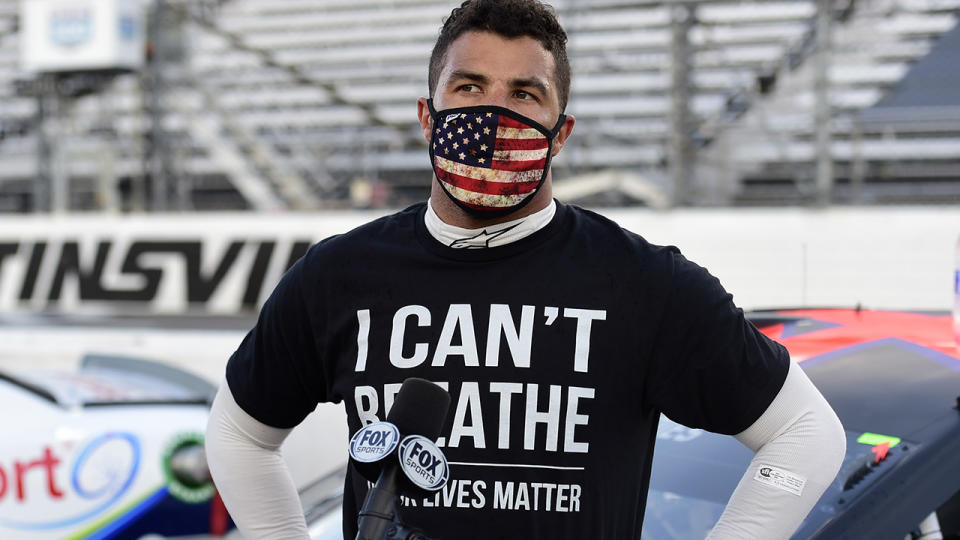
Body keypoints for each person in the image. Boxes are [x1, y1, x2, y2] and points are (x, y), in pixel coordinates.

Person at [205, 1, 847, 538]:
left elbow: (805, 434)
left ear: (559, 132)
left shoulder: (643, 284)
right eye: (469, 87)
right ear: (428, 115)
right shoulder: (339, 274)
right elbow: (239, 434)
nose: (492, 115)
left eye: (524, 94)